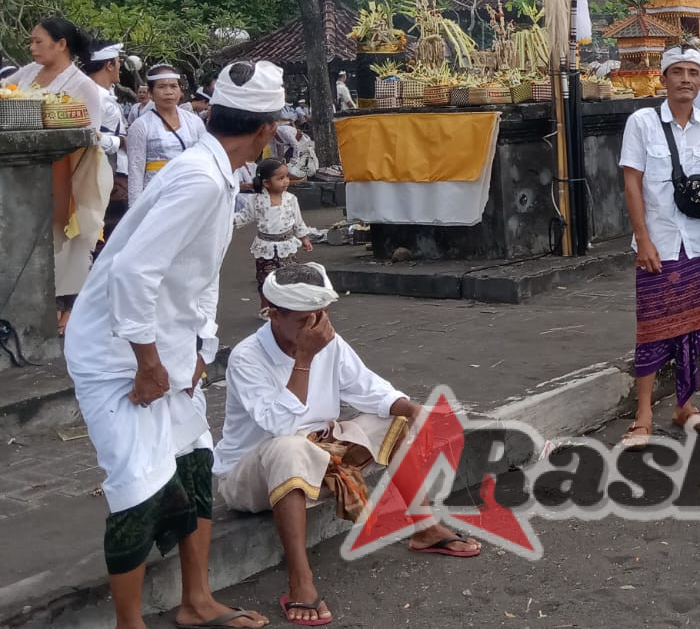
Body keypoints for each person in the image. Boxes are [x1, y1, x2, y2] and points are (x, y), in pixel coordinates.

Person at [64, 60, 285, 629]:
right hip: (120, 352)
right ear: (266, 129)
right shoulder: (202, 178)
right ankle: (129, 623)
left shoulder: (216, 172)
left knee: (194, 463)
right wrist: (148, 364)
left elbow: (197, 275)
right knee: (137, 486)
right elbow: (133, 273)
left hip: (169, 347)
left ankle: (196, 600)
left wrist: (197, 348)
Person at [214, 263, 478, 627]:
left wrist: (414, 410)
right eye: (306, 319)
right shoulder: (247, 357)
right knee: (289, 447)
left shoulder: (327, 341)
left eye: (322, 315)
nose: (317, 327)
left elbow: (368, 388)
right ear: (273, 313)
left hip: (319, 453)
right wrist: (304, 359)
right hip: (251, 478)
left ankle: (425, 527)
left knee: (394, 419)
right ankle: (300, 580)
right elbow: (282, 425)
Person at [618, 49, 700, 447]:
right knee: (652, 327)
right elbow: (632, 184)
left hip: (698, 244)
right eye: (677, 72)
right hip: (658, 243)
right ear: (664, 79)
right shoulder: (641, 123)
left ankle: (684, 404)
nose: (685, 79)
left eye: (693, 73)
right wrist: (642, 238)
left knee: (694, 326)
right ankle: (643, 413)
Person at [12, 18, 112, 328]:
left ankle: (67, 309)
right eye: (31, 42)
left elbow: (91, 138)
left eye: (38, 41)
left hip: (67, 174)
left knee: (67, 243)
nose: (32, 47)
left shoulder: (82, 85)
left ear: (61, 44)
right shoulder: (28, 73)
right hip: (21, 175)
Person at [235, 159, 315, 313]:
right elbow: (244, 217)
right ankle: (266, 306)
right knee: (265, 278)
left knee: (289, 276)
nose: (286, 181)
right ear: (266, 183)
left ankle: (288, 305)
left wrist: (304, 238)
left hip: (287, 245)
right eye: (280, 178)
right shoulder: (256, 200)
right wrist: (227, 220)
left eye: (286, 177)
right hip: (265, 247)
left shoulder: (291, 199)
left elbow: (297, 221)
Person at [126, 65, 207, 206]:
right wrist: (134, 211)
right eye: (162, 87)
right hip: (157, 197)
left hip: (191, 192)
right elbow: (135, 171)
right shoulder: (141, 125)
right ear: (151, 93)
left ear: (180, 91)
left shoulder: (195, 122)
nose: (168, 92)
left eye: (173, 86)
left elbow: (205, 160)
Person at [86, 43, 131, 256]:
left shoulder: (102, 93)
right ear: (109, 65)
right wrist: (120, 142)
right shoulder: (94, 95)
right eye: (118, 62)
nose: (120, 67)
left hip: (114, 171)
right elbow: (88, 134)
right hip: (104, 171)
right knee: (109, 234)